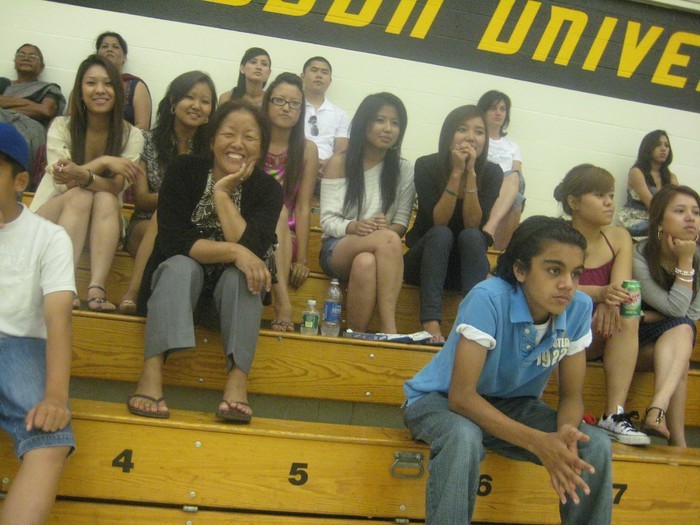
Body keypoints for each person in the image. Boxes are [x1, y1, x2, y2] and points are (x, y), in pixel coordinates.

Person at [404, 216, 613, 524]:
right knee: (463, 436)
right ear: (520, 270)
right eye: (554, 270)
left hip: (513, 407)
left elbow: (571, 396)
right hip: (439, 401)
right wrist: (538, 442)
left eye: (576, 273)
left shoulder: (578, 307)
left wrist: (565, 434)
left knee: (594, 445)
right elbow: (461, 398)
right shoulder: (488, 298)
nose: (567, 284)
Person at [128, 100, 283, 422]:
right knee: (180, 265)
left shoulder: (269, 190)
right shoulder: (183, 170)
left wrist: (223, 195)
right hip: (176, 289)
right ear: (212, 140)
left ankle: (237, 382)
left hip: (229, 301)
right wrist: (235, 252)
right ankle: (151, 374)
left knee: (244, 276)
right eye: (228, 134)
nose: (238, 143)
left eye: (249, 137)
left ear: (261, 149)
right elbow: (173, 241)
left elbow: (252, 249)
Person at [0, 123, 74, 525]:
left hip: (22, 346)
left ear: (20, 181)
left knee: (49, 439)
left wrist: (56, 397)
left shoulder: (49, 238)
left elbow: (58, 317)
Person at [29, 54, 144, 312]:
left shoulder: (132, 135)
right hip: (50, 217)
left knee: (104, 197)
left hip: (103, 223)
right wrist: (104, 161)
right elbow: (63, 179)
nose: (100, 90)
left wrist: (81, 174)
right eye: (91, 83)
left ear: (118, 92)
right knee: (81, 196)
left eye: (108, 83)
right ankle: (64, 285)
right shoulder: (61, 125)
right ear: (80, 91)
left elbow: (116, 187)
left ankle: (96, 288)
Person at [553, 164, 650, 446]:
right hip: (562, 332)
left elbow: (621, 288)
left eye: (610, 195)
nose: (609, 202)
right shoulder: (555, 236)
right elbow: (552, 288)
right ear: (574, 202)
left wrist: (609, 299)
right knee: (568, 309)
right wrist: (600, 294)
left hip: (601, 332)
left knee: (629, 312)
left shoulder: (619, 237)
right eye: (599, 195)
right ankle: (572, 411)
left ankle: (614, 414)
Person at [118, 71, 216, 315]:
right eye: (190, 97)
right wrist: (176, 198)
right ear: (173, 102)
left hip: (193, 229)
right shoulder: (147, 140)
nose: (197, 106)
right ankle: (133, 292)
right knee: (162, 214)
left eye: (205, 101)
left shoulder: (212, 151)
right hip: (146, 224)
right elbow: (141, 200)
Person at [403, 105, 503, 344]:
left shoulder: (492, 173)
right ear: (448, 135)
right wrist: (457, 173)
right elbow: (438, 220)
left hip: (464, 267)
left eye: (479, 132)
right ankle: (430, 322)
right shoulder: (426, 165)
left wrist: (471, 174)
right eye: (462, 129)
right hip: (425, 262)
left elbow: (473, 224)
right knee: (441, 233)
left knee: (472, 236)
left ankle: (471, 322)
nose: (470, 137)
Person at [320, 92, 414, 335]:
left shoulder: (403, 169)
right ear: (364, 123)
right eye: (380, 120)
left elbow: (400, 223)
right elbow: (327, 221)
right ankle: (389, 328)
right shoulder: (339, 162)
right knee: (388, 239)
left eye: (395, 123)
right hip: (337, 247)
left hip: (377, 249)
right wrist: (353, 226)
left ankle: (355, 337)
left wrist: (385, 227)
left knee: (366, 262)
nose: (388, 129)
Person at [633, 184, 699, 447]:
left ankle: (658, 410)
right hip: (632, 343)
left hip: (671, 343)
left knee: (681, 336)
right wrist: (685, 262)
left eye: (696, 212)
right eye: (680, 211)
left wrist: (649, 315)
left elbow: (690, 314)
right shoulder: (640, 254)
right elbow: (677, 311)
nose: (690, 218)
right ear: (659, 220)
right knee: (681, 339)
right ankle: (677, 440)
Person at [261, 73, 318, 330]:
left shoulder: (307, 149)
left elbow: (304, 207)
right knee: (276, 210)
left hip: (286, 235)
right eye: (280, 100)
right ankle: (282, 303)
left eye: (294, 103)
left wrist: (303, 259)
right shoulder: (253, 139)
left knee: (281, 212)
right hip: (248, 225)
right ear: (267, 103)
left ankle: (281, 302)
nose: (286, 108)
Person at [0, 44, 66, 182]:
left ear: (41, 67)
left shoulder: (48, 88)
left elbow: (45, 110)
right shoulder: (3, 83)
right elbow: (38, 108)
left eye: (32, 56)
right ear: (14, 62)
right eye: (21, 54)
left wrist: (5, 107)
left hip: (29, 130)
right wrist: (31, 105)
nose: (26, 58)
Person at [477, 90, 524, 250]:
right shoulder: (477, 138)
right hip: (483, 181)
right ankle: (498, 249)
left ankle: (491, 232)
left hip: (507, 186)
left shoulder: (513, 146)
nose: (498, 113)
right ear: (483, 111)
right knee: (517, 200)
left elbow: (517, 174)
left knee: (515, 188)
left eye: (502, 109)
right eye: (493, 108)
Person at [618, 130, 677, 239]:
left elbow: (677, 204)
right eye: (658, 145)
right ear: (648, 148)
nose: (663, 149)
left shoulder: (671, 177)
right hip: (636, 221)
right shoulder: (636, 172)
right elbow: (651, 204)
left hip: (660, 222)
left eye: (667, 145)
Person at [300, 56, 350, 174]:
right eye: (314, 70)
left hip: (326, 170)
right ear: (302, 76)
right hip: (295, 163)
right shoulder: (292, 106)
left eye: (324, 72)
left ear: (330, 80)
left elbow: (342, 149)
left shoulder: (340, 114)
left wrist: (329, 163)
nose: (319, 75)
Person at [95, 31, 152, 130]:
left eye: (116, 47)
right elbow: (69, 121)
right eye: (104, 46)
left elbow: (142, 126)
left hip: (126, 139)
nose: (109, 49)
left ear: (124, 57)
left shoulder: (135, 86)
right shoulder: (85, 83)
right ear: (97, 55)